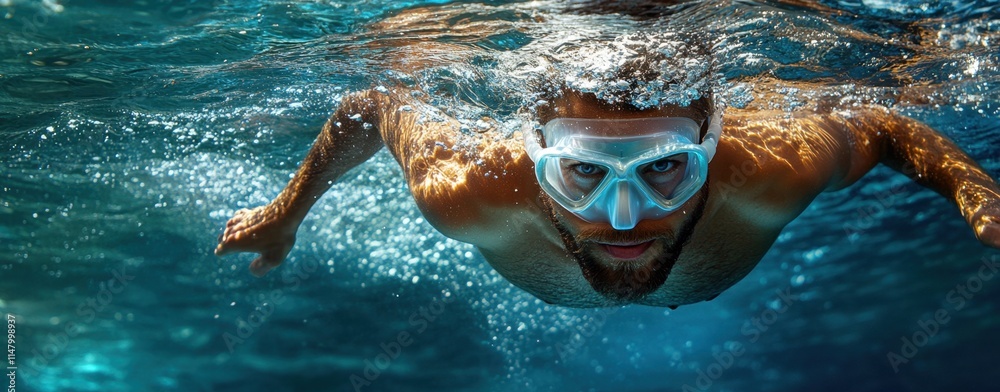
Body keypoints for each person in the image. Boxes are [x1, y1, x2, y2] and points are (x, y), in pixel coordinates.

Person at [214, 24, 1000, 308]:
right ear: (535, 158)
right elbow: (376, 104)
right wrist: (287, 214)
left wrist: (976, 189)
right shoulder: (469, 189)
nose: (622, 219)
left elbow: (888, 123)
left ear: (712, 151)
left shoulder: (771, 169)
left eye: (664, 170)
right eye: (582, 174)